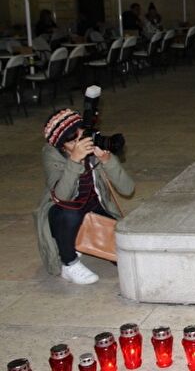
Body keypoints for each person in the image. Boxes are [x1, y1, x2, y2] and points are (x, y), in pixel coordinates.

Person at [34, 109, 134, 284]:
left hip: (93, 208)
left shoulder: (93, 149)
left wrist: (107, 161)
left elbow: (127, 189)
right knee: (69, 213)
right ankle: (69, 263)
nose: (82, 143)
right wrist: (74, 161)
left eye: (83, 135)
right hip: (63, 210)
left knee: (123, 258)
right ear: (61, 146)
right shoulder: (52, 155)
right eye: (73, 141)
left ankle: (76, 238)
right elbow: (62, 196)